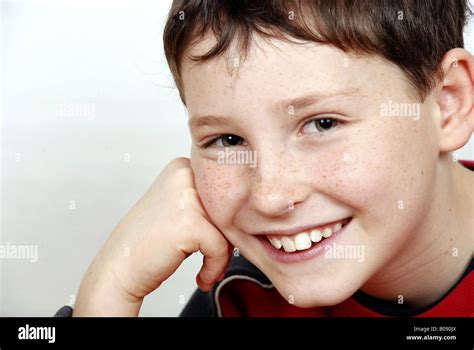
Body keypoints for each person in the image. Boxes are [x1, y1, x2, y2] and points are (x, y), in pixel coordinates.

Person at [58, 0, 474, 317]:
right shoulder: (238, 293)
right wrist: (110, 291)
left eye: (323, 124)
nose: (270, 197)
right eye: (228, 139)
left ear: (447, 105)